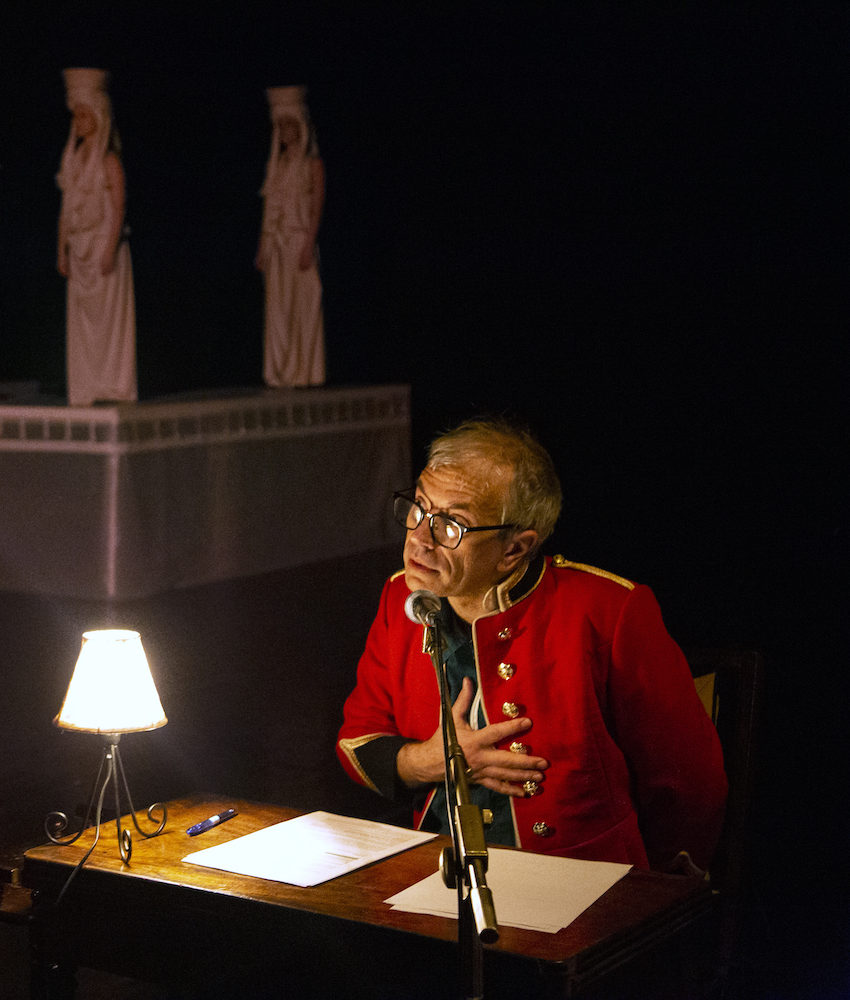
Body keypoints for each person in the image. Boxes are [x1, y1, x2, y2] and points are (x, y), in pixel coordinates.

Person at [336, 419, 726, 872]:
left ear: (514, 550)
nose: (420, 538)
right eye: (419, 508)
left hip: (583, 878)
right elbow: (357, 740)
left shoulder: (607, 611)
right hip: (437, 867)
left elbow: (689, 783)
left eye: (452, 525)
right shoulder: (400, 597)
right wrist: (429, 760)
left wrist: (651, 894)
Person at [57, 68, 136, 406]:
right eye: (75, 115)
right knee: (83, 323)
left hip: (103, 245)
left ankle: (113, 385)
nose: (78, 121)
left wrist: (110, 247)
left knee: (108, 322)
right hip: (79, 250)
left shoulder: (109, 161)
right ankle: (87, 385)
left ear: (98, 118)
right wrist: (61, 250)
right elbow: (65, 210)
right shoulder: (73, 162)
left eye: (84, 115)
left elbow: (118, 207)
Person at [255, 86, 325, 390]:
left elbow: (316, 206)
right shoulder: (276, 166)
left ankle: (304, 371)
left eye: (288, 124)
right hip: (278, 245)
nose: (284, 131)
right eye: (279, 125)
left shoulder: (312, 164)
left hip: (299, 241)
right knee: (278, 310)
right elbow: (269, 210)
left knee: (303, 307)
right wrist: (263, 247)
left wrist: (309, 243)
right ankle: (280, 372)